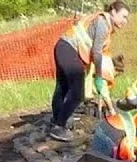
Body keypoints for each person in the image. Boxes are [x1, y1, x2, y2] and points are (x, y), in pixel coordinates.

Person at [50, 2, 130, 142]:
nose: (125, 21)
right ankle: (58, 126)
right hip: (68, 49)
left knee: (63, 88)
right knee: (77, 93)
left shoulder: (104, 24)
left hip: (62, 47)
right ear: (113, 11)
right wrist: (98, 77)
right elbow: (96, 53)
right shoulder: (102, 23)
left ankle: (57, 120)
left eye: (127, 18)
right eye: (123, 16)